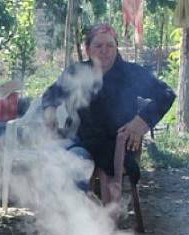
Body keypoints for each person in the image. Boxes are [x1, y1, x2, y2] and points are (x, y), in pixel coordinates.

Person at [41, 23, 175, 213]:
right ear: (87, 49)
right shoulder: (76, 73)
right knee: (65, 162)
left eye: (110, 46)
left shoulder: (131, 73)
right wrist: (50, 110)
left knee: (86, 162)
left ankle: (97, 220)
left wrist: (141, 121)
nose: (105, 51)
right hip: (83, 142)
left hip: (117, 144)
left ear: (116, 47)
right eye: (98, 46)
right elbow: (50, 95)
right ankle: (85, 209)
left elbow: (166, 94)